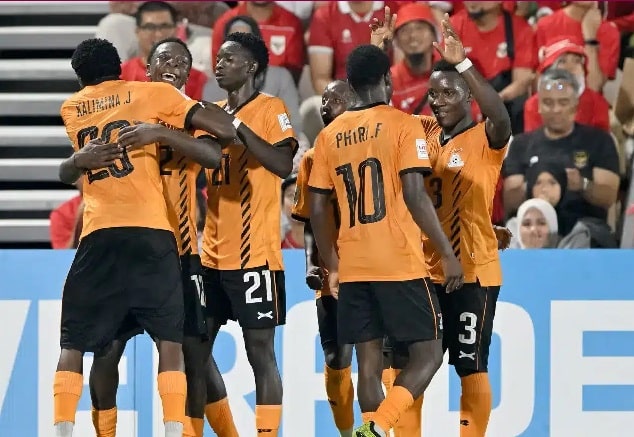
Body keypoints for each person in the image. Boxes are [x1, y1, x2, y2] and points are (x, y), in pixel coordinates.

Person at [54, 37, 241, 437]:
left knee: (196, 354)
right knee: (109, 351)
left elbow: (214, 154)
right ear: (147, 68)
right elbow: (69, 169)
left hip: (181, 249)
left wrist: (161, 133)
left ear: (189, 73)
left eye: (183, 62)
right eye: (165, 60)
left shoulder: (183, 109)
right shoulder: (146, 96)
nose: (174, 66)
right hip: (151, 236)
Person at [308, 44, 464, 437]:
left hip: (353, 266)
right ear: (387, 80)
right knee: (428, 354)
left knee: (369, 366)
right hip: (398, 261)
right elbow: (415, 194)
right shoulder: (404, 125)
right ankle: (378, 426)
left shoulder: (329, 135)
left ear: (350, 85)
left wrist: (333, 265)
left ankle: (370, 428)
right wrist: (446, 252)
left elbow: (318, 207)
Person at [369, 11, 512, 437]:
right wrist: (378, 51)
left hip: (473, 270)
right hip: (421, 272)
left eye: (448, 93)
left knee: (470, 364)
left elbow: (501, 117)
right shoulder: (422, 131)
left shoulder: (486, 139)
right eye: (432, 94)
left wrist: (463, 62)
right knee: (407, 363)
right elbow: (378, 110)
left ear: (468, 96)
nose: (438, 101)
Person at [201, 32, 298, 437]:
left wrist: (237, 126)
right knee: (194, 351)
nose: (219, 64)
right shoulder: (211, 114)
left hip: (254, 254)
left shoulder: (271, 108)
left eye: (229, 58)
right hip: (209, 256)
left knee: (261, 354)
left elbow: (282, 164)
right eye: (217, 58)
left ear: (252, 66)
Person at [291, 79, 356, 437]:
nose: (326, 104)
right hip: (333, 275)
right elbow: (308, 220)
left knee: (384, 359)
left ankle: (382, 427)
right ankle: (347, 432)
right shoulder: (313, 159)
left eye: (336, 98)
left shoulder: (375, 148)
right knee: (337, 359)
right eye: (324, 99)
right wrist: (310, 263)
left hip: (376, 269)